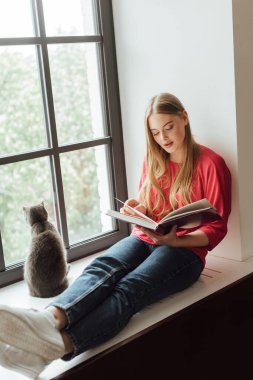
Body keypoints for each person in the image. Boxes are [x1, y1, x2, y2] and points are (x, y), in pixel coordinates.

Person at [0, 92, 231, 378]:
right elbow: (152, 205)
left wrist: (175, 240)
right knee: (103, 266)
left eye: (168, 127)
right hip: (147, 239)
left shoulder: (211, 163)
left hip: (186, 253)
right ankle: (48, 320)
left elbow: (217, 228)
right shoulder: (154, 160)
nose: (163, 138)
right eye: (155, 132)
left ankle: (56, 346)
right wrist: (139, 208)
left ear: (184, 117)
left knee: (130, 288)